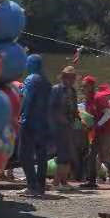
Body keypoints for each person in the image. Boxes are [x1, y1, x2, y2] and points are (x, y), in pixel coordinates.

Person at [18, 54, 52, 195]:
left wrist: (19, 115)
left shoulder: (31, 79)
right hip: (44, 124)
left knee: (24, 154)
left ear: (31, 64)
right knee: (41, 155)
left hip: (30, 121)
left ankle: (31, 186)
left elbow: (27, 99)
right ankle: (41, 186)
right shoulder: (47, 82)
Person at [82, 75, 110, 188]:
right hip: (96, 132)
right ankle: (91, 181)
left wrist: (98, 124)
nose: (82, 88)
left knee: (105, 158)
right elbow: (89, 117)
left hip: (107, 132)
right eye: (82, 86)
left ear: (91, 86)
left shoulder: (99, 97)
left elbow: (108, 113)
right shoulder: (87, 101)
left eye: (85, 86)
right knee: (91, 155)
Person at [47, 64, 81, 189]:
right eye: (68, 77)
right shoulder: (56, 89)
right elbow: (51, 108)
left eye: (72, 78)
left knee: (67, 153)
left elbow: (75, 108)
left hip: (69, 125)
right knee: (62, 153)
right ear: (63, 78)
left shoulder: (72, 91)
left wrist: (78, 120)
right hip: (58, 126)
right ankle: (56, 182)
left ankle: (63, 181)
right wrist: (60, 120)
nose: (70, 80)